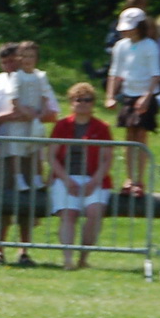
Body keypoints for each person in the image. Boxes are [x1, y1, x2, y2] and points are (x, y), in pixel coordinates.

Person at [0, 41, 56, 265]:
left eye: (14, 60)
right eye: (5, 62)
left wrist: (32, 115)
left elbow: (52, 113)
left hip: (30, 148)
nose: (11, 65)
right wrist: (9, 116)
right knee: (5, 199)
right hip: (4, 150)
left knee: (28, 200)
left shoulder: (37, 78)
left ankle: (24, 250)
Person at [47, 82, 114, 270]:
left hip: (94, 178)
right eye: (78, 99)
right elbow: (51, 156)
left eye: (87, 100)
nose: (83, 103)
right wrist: (66, 179)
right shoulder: (61, 125)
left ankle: (83, 258)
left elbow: (107, 159)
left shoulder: (102, 128)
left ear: (93, 103)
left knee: (95, 212)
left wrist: (95, 181)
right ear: (71, 102)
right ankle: (68, 259)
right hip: (65, 176)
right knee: (69, 214)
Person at [106, 6, 160, 196]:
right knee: (129, 137)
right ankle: (130, 178)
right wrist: (110, 95)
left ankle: (140, 180)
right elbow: (115, 73)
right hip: (129, 96)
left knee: (141, 137)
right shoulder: (120, 46)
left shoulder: (150, 46)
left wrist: (147, 97)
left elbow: (156, 74)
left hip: (145, 94)